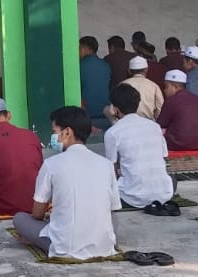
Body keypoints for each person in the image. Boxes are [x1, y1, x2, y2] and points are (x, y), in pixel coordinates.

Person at [14, 106, 119, 260]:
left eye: (55, 132)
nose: (53, 136)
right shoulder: (106, 164)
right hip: (104, 245)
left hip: (65, 246)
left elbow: (37, 213)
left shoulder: (51, 164)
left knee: (20, 219)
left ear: (67, 132)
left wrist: (49, 217)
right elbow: (113, 210)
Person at [103, 83, 174, 212]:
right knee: (171, 179)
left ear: (115, 109)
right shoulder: (154, 127)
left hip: (131, 197)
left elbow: (111, 171)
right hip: (164, 194)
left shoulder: (112, 133)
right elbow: (164, 158)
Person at [0, 97, 44, 216]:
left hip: (7, 206)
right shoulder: (30, 135)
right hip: (39, 203)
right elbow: (40, 167)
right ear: (9, 115)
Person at [156, 70, 198, 151]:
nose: (164, 90)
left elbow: (161, 124)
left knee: (157, 131)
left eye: (166, 87)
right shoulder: (196, 98)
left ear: (175, 87)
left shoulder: (171, 100)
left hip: (179, 144)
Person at [117, 55, 163, 120]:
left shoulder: (122, 84)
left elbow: (112, 109)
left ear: (129, 71)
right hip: (148, 123)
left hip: (127, 123)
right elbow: (160, 109)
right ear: (146, 70)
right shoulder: (154, 86)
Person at [78, 36, 112, 118]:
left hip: (87, 114)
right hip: (106, 113)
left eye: (79, 48)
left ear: (85, 48)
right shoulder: (106, 65)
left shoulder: (79, 66)